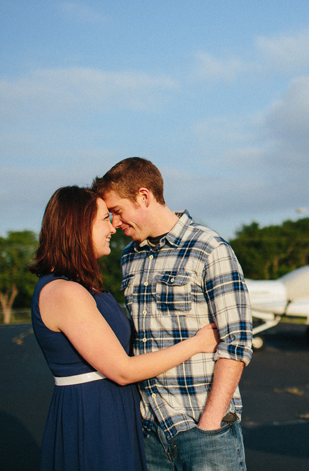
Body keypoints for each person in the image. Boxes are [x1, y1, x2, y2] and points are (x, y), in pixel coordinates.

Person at [29, 186, 220, 471]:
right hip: (93, 417)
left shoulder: (83, 286)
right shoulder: (64, 292)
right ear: (79, 226)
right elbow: (122, 370)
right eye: (105, 219)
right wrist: (199, 343)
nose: (113, 227)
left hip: (109, 409)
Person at [92, 157, 253, 471]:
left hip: (204, 431)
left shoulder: (209, 248)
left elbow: (237, 343)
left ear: (144, 197)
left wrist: (210, 422)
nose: (114, 223)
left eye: (117, 211)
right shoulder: (129, 259)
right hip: (150, 434)